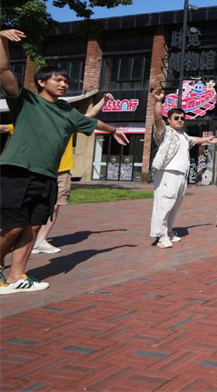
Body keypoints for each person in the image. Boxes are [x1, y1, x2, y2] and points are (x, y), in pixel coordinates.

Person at [0, 29, 129, 294]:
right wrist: (0, 38)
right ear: (41, 82)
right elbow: (3, 70)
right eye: (57, 80)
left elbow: (93, 122)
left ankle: (16, 277)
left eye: (65, 81)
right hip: (19, 170)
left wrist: (114, 131)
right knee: (12, 226)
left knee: (33, 226)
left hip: (47, 175)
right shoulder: (25, 101)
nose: (63, 84)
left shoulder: (68, 112)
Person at [30, 93, 116, 255]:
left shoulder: (69, 121)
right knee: (33, 205)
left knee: (55, 206)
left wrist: (103, 101)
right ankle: (27, 239)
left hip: (63, 169)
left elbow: (90, 116)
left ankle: (40, 240)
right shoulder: (39, 121)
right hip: (41, 168)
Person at [150, 87, 217, 248]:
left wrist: (208, 140)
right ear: (170, 119)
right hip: (168, 173)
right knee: (164, 204)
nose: (180, 120)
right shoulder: (165, 132)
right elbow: (157, 119)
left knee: (174, 205)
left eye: (182, 118)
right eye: (176, 118)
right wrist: (158, 101)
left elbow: (194, 139)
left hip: (181, 175)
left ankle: (169, 231)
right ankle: (161, 236)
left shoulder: (183, 135)